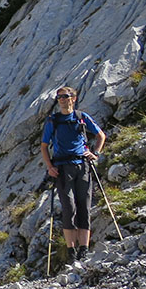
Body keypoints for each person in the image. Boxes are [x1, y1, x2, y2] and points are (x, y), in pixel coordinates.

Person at [41, 86, 106, 264]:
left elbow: (101, 135)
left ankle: (83, 250)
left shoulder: (81, 117)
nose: (62, 99)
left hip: (82, 165)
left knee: (84, 207)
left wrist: (95, 154)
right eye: (59, 97)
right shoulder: (52, 121)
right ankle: (71, 251)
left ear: (73, 99)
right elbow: (44, 146)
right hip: (61, 168)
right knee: (69, 208)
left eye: (65, 96)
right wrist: (49, 167)